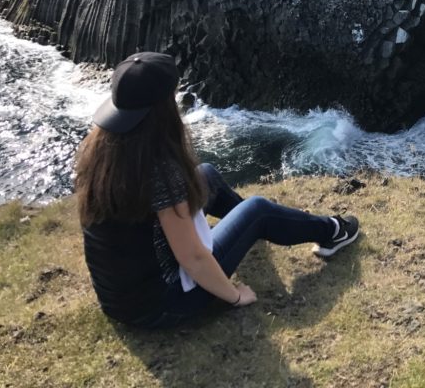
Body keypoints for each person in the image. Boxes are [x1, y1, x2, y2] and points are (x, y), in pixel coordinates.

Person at [75, 52, 360, 329]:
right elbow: (193, 258)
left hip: (119, 300)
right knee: (258, 210)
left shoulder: (100, 150)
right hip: (164, 305)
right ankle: (333, 232)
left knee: (205, 175)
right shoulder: (160, 171)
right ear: (162, 110)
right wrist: (236, 296)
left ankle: (267, 226)